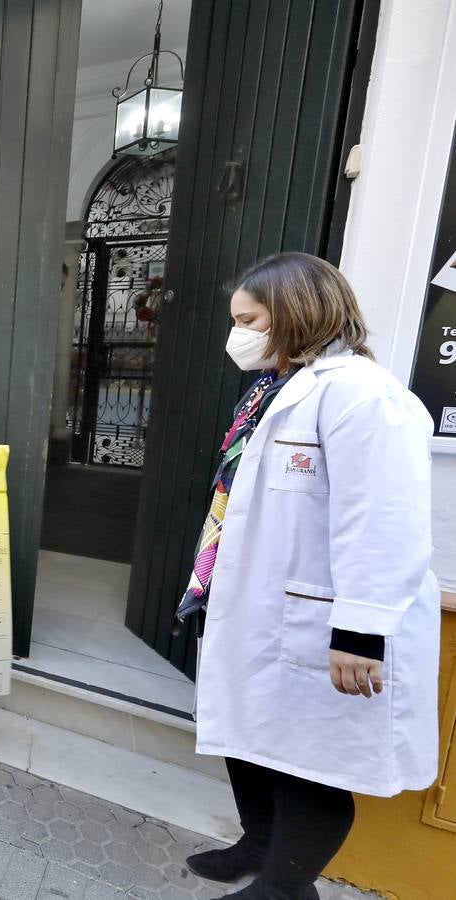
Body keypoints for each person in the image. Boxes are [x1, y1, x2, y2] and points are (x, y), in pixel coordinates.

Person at [178, 253, 439, 899]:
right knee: (249, 736)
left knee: (309, 762)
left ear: (296, 311)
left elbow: (383, 519)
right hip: (251, 598)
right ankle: (258, 845)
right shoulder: (275, 389)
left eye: (250, 318)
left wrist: (360, 631)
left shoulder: (363, 396)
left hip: (322, 620)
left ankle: (287, 888)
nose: (239, 333)